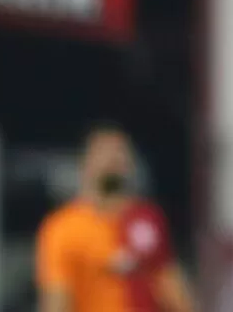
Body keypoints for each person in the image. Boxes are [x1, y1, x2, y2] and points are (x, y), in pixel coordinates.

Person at [35, 125, 197, 312]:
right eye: (104, 153)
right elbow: (56, 296)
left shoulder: (146, 220)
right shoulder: (62, 227)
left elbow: (170, 283)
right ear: (85, 163)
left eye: (120, 152)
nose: (113, 160)